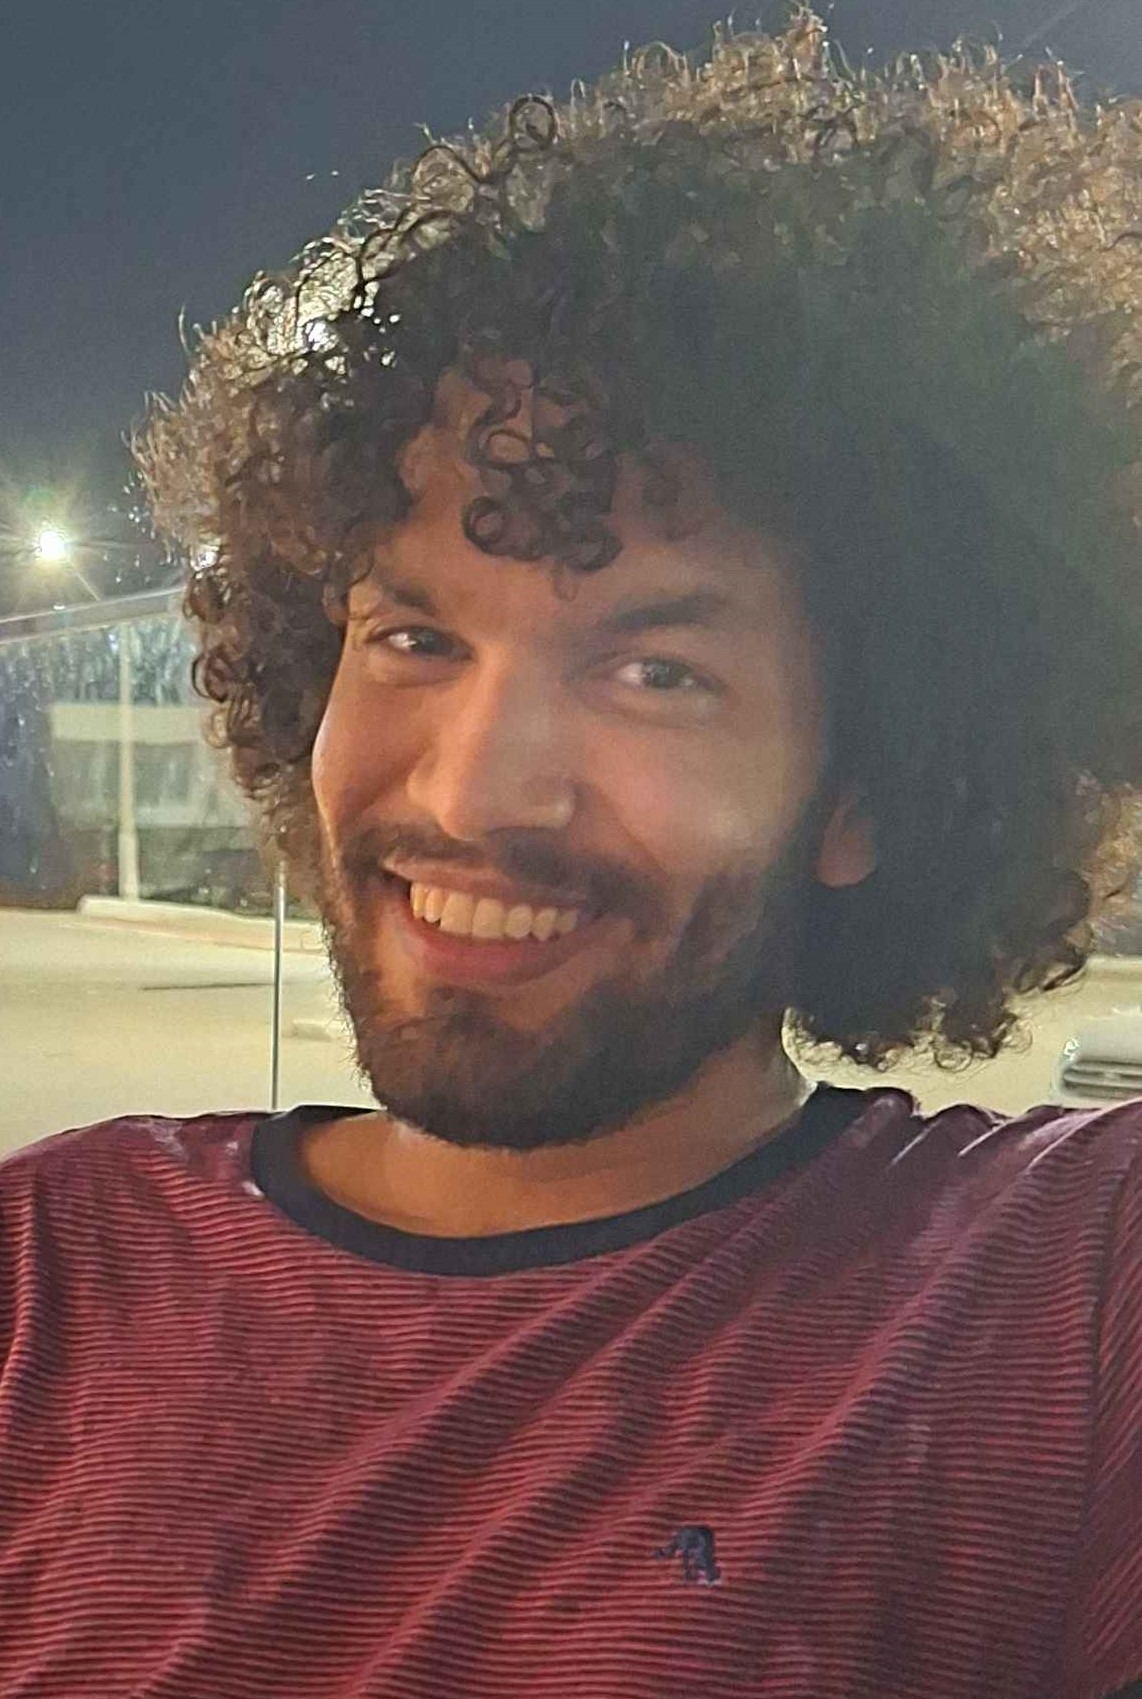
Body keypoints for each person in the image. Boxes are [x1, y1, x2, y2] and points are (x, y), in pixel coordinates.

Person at [5, 11, 1142, 1694]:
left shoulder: (1056, 1294)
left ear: (868, 783)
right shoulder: (46, 1274)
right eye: (413, 638)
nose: (472, 789)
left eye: (653, 671)